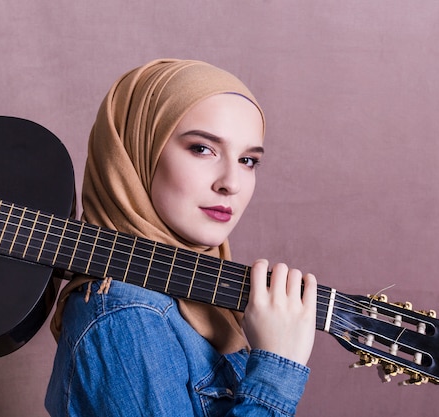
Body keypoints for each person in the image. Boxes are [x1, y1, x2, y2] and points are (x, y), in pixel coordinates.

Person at [45, 59, 317, 417]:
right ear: (137, 152)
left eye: (248, 160)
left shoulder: (196, 303)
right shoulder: (127, 316)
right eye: (202, 148)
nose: (231, 183)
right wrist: (277, 369)